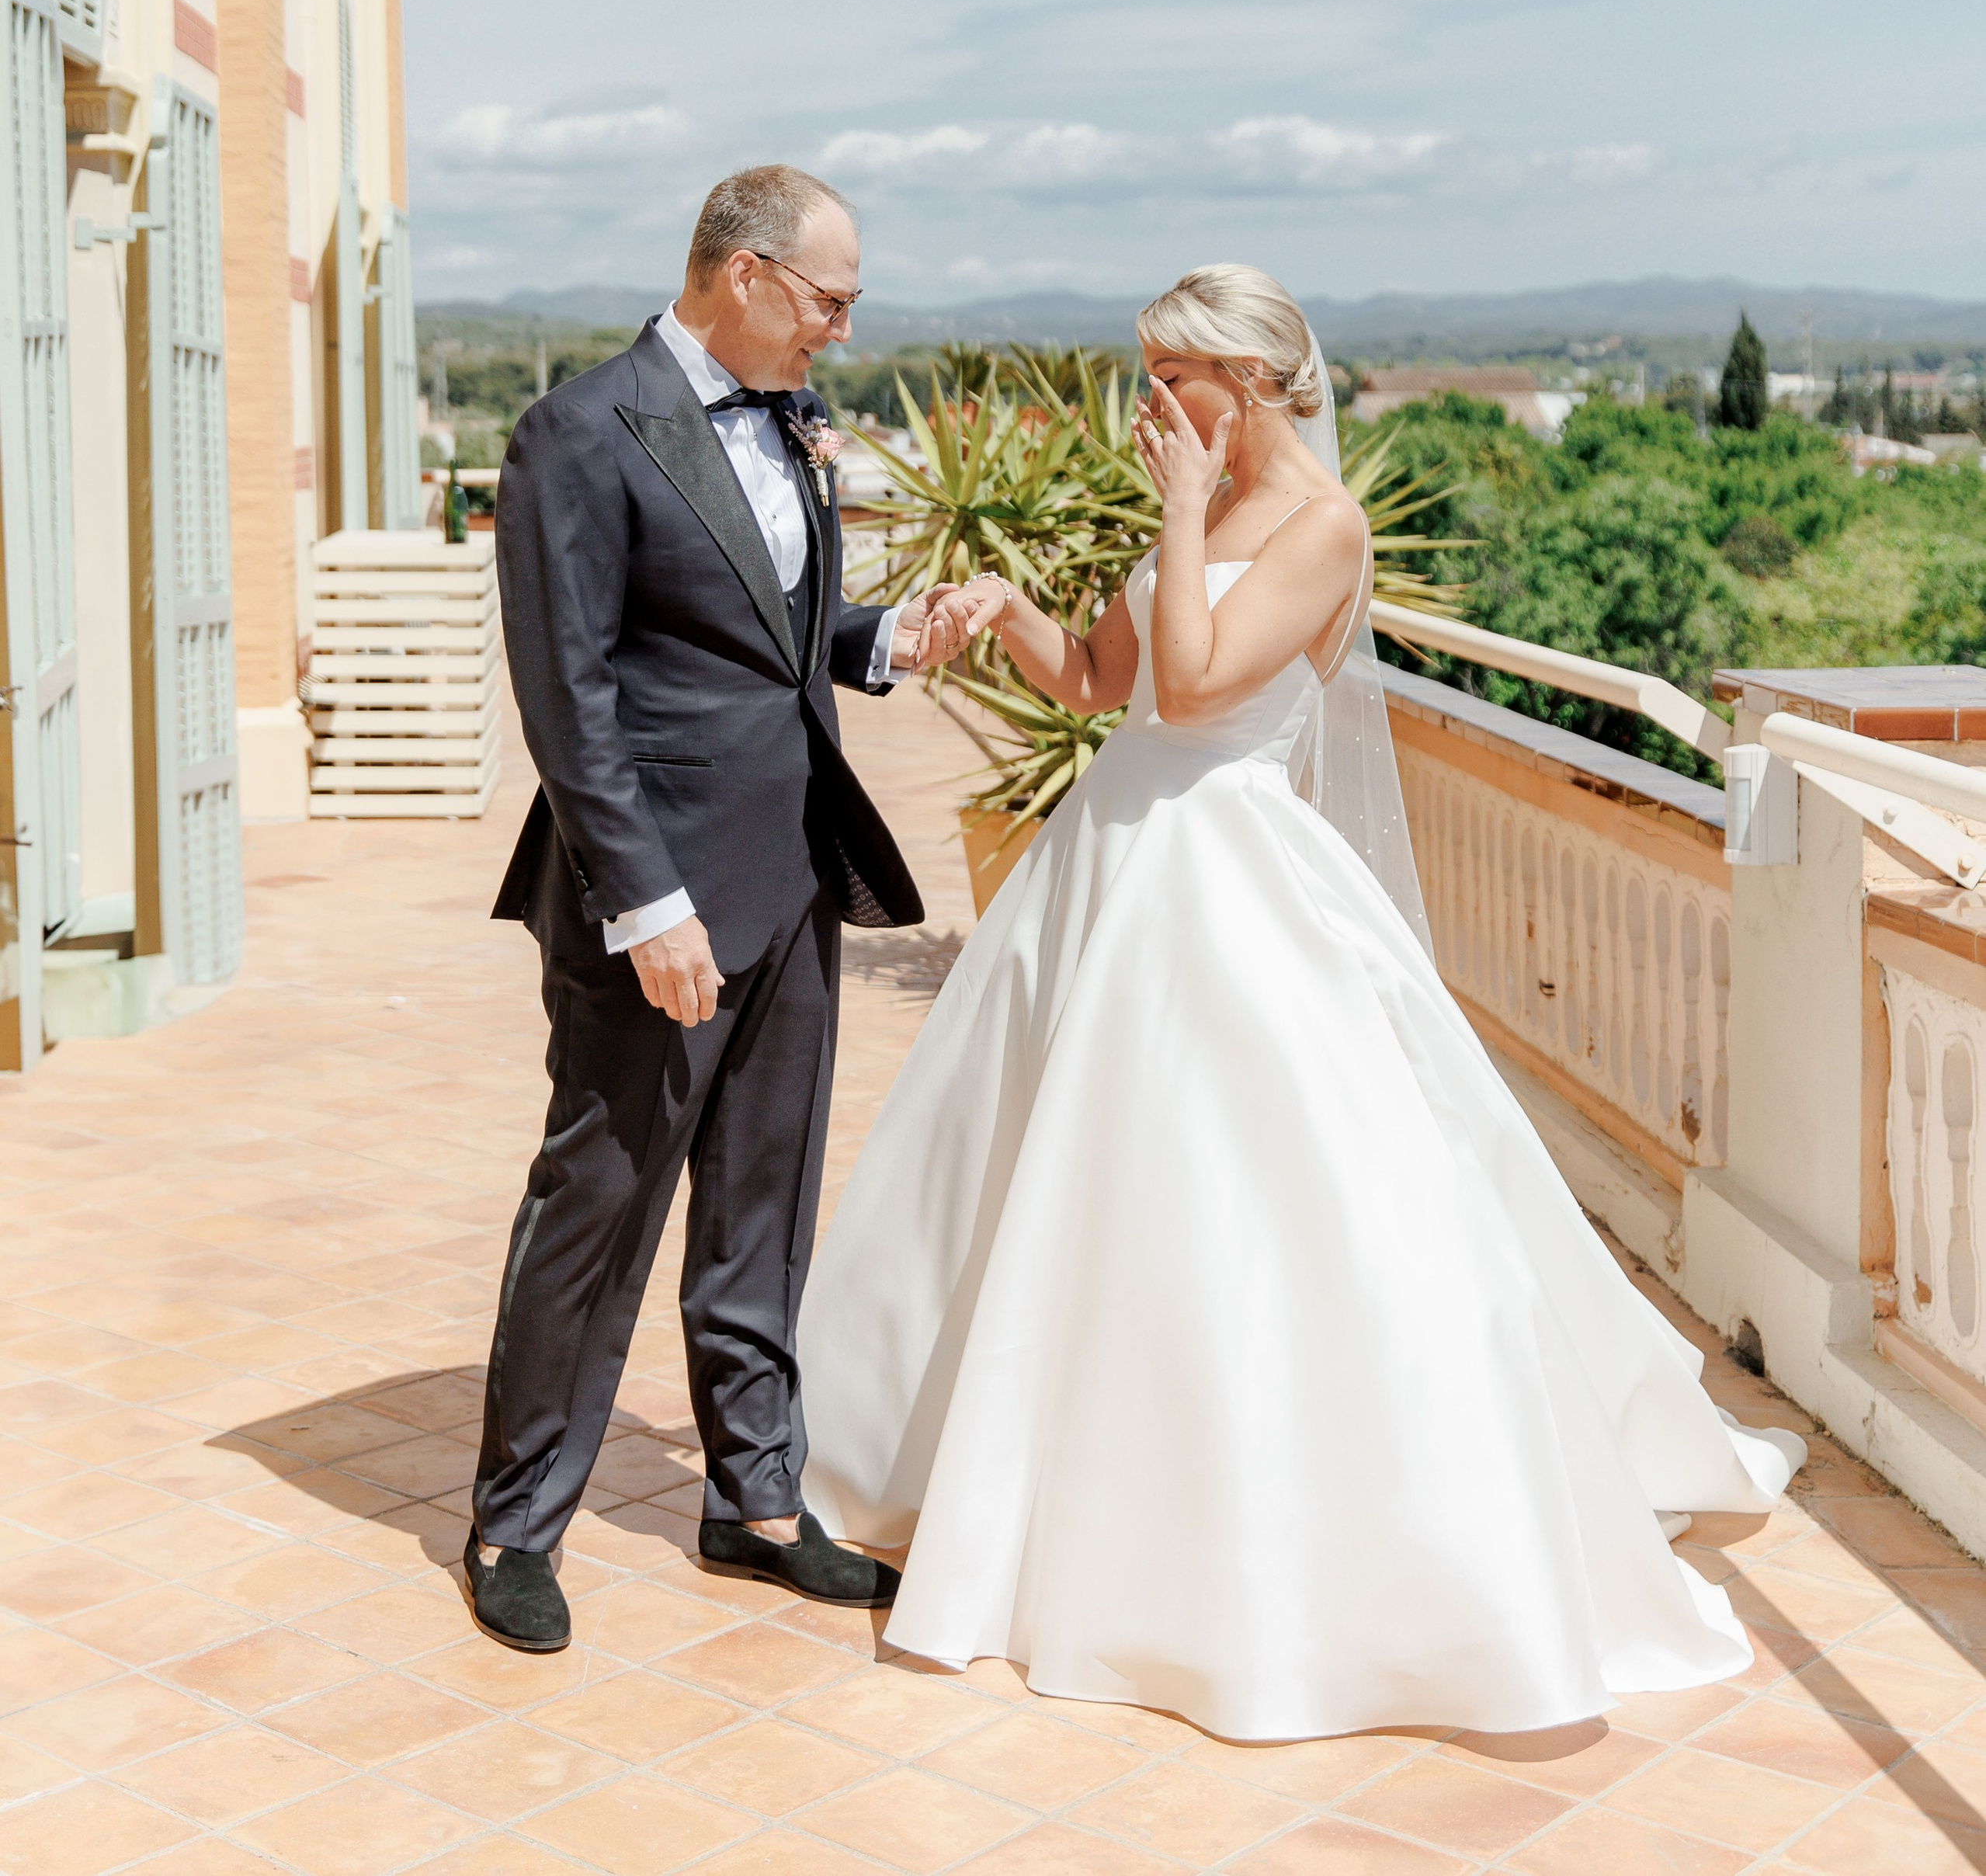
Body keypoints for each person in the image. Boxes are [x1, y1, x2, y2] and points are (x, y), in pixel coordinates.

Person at [795, 263, 1807, 1741]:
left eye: (1173, 372)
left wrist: (1184, 508)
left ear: (1253, 384)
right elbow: (1102, 683)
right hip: (1109, 856)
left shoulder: (1322, 527)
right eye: (1147, 367)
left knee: (1249, 1194)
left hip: (1226, 871)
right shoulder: (1188, 499)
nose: (1148, 398)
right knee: (1039, 1178)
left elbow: (1201, 697)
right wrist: (1011, 600)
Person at [466, 165, 971, 1652]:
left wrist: (881, 642)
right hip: (662, 909)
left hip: (794, 879)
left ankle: (754, 1499)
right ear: (743, 274)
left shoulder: (793, 429)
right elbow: (571, 698)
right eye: (832, 299)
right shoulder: (577, 433)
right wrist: (645, 903)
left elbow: (763, 640)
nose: (842, 331)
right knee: (599, 1206)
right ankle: (514, 1520)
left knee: (766, 1209)